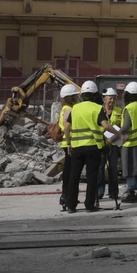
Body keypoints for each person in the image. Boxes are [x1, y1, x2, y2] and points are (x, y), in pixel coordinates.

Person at [61, 80, 105, 213]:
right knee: (92, 177)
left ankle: (71, 205)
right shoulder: (97, 108)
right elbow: (105, 126)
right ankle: (89, 205)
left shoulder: (75, 109)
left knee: (74, 176)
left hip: (77, 148)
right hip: (92, 147)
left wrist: (69, 143)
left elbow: (67, 127)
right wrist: (118, 134)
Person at [55, 83, 79, 211]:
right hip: (70, 143)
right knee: (70, 171)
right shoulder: (69, 110)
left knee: (68, 170)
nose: (77, 98)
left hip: (67, 143)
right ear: (70, 97)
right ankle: (66, 196)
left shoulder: (65, 109)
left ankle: (66, 195)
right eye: (75, 96)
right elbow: (67, 127)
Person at [97, 87, 122, 204]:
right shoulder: (99, 111)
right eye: (110, 98)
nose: (112, 101)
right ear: (104, 99)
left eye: (114, 98)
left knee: (113, 168)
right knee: (100, 168)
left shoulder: (119, 111)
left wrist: (113, 138)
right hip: (101, 143)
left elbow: (122, 127)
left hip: (114, 144)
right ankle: (99, 192)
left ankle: (113, 192)